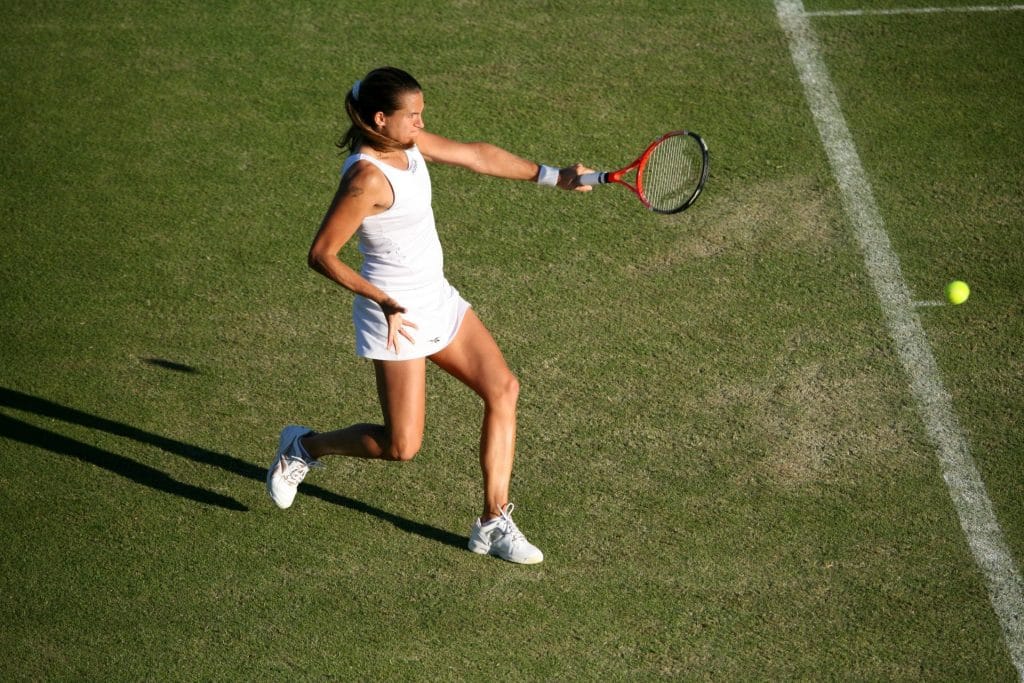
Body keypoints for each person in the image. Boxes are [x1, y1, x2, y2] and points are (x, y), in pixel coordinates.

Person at [266, 66, 591, 565]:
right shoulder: (365, 178)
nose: (421, 124)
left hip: (436, 298)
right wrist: (382, 299)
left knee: (503, 388)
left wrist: (553, 176)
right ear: (381, 119)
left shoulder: (407, 144)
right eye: (413, 116)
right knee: (401, 446)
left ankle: (492, 521)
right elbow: (322, 254)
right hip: (395, 314)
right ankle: (305, 448)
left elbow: (475, 155)